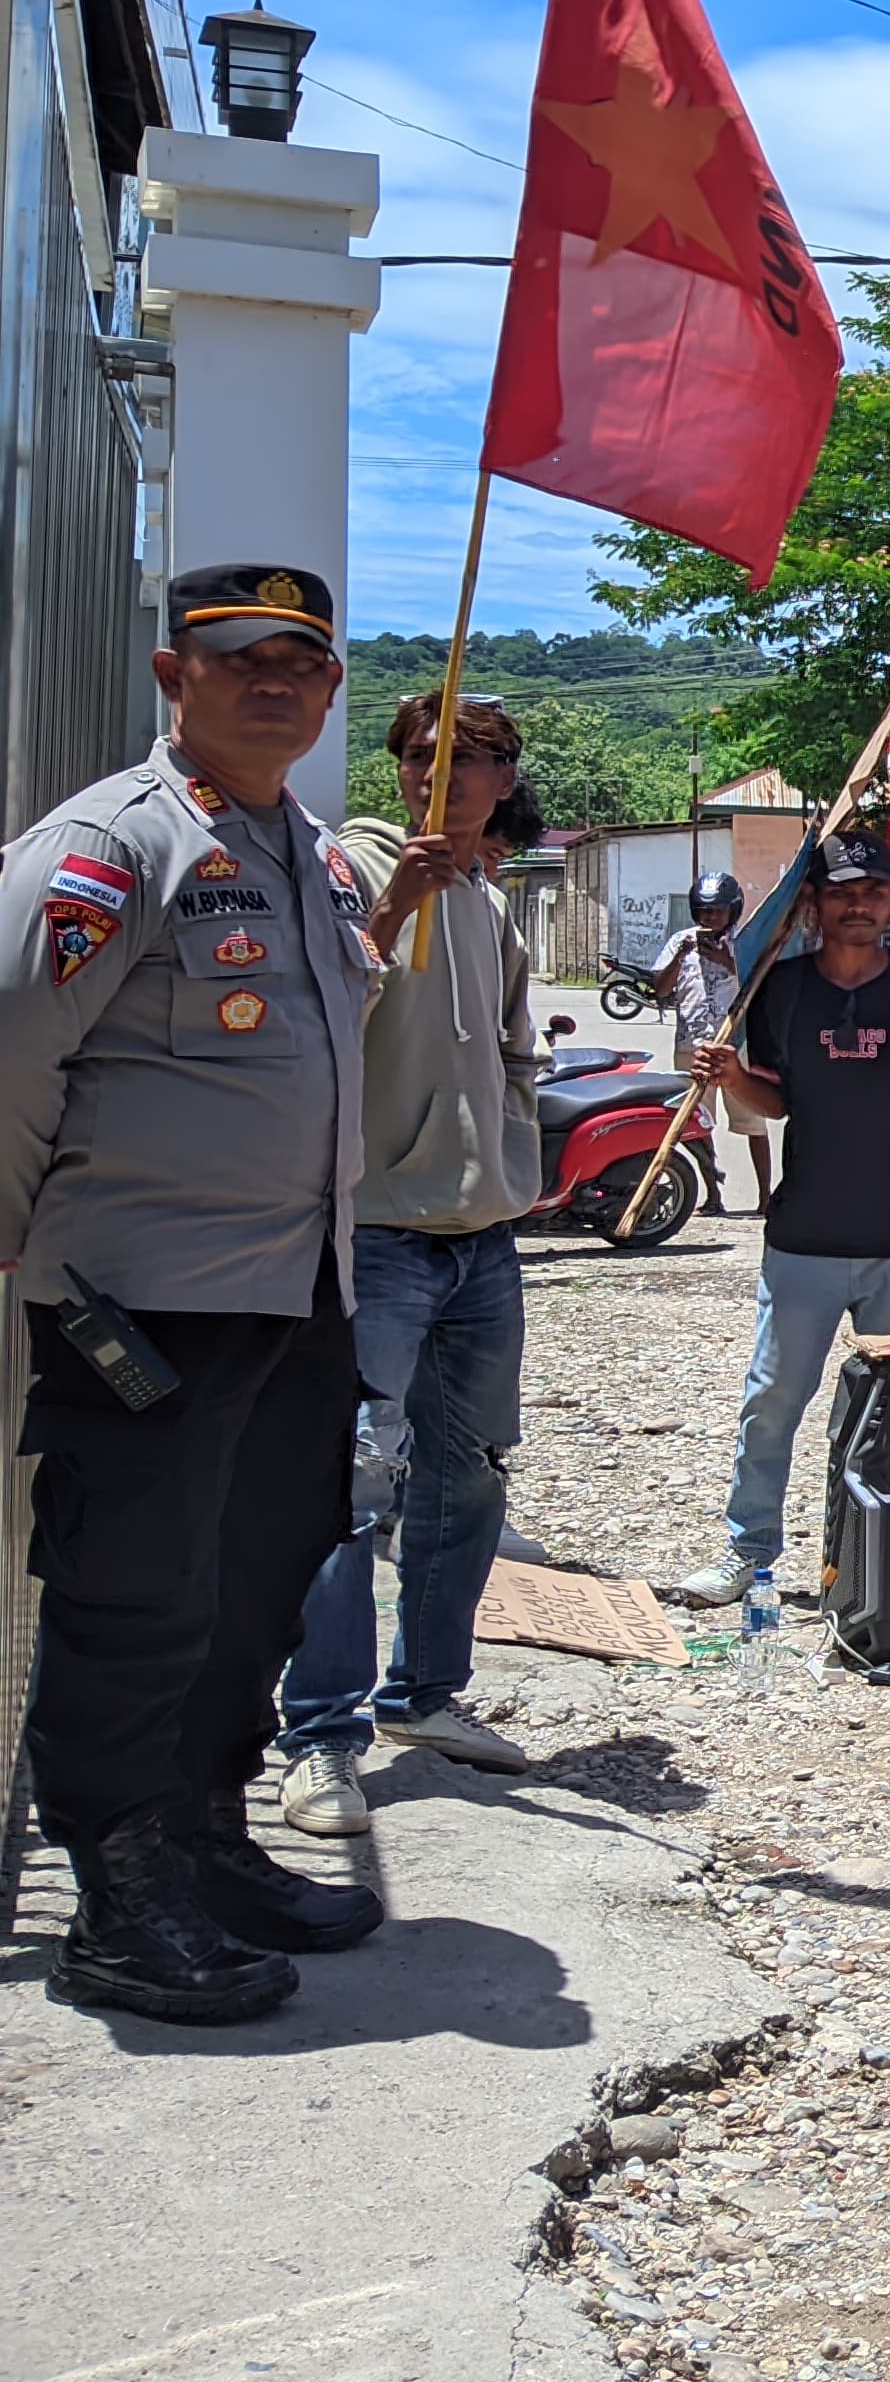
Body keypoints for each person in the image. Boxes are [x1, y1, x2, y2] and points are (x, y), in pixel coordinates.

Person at [0, 564, 379, 2020]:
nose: (275, 682)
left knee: (253, 1591)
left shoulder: (322, 863)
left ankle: (209, 1839)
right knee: (136, 1599)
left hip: (297, 1301)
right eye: (240, 661)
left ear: (330, 686)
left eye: (301, 661)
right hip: (147, 1303)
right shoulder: (112, 847)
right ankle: (120, 1893)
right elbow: (11, 1052)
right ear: (177, 678)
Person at [271, 692, 547, 1841]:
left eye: (476, 759)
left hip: (478, 1239)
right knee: (349, 1486)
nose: (452, 776)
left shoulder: (491, 901)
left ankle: (425, 1696)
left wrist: (515, 1164)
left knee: (467, 1473)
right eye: (430, 758)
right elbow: (314, 999)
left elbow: (519, 1050)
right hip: (377, 1233)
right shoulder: (347, 865)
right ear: (398, 772)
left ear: (503, 777)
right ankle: (321, 1738)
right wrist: (396, 903)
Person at [679, 832, 890, 1609]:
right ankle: (748, 1553)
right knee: (773, 1402)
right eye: (844, 893)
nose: (860, 907)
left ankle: (870, 1563)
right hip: (806, 1239)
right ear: (813, 905)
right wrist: (734, 1079)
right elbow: (778, 1102)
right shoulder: (780, 989)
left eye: (875, 894)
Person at [658, 871, 769, 1215]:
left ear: (732, 911)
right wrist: (682, 957)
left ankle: (765, 1198)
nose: (710, 918)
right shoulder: (681, 941)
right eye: (705, 911)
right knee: (696, 1124)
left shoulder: (745, 943)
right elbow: (660, 988)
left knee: (753, 1122)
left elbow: (763, 982)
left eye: (718, 911)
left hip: (736, 1045)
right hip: (692, 1044)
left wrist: (724, 959)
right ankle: (712, 1195)